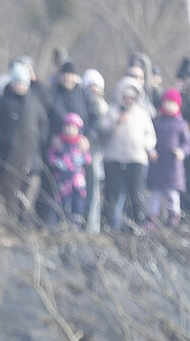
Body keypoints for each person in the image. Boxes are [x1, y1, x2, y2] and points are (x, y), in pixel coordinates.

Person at [0, 62, 48, 224]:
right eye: (17, 82)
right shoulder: (3, 102)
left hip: (28, 155)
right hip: (4, 154)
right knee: (0, 187)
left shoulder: (34, 103)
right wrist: (3, 141)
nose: (20, 86)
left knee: (23, 189)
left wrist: (38, 145)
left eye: (23, 83)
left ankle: (20, 219)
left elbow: (43, 127)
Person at [99, 76, 156, 230]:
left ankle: (135, 225)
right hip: (113, 159)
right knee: (111, 194)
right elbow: (102, 131)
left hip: (136, 159)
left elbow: (150, 135)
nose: (129, 100)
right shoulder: (111, 112)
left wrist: (148, 147)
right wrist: (116, 123)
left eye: (132, 97)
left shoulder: (142, 114)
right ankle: (107, 225)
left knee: (135, 194)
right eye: (126, 97)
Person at [146, 89, 190, 228]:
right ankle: (151, 218)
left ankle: (173, 216)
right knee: (155, 194)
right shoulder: (156, 121)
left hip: (174, 166)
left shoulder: (181, 124)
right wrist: (151, 150)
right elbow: (148, 138)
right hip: (157, 164)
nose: (169, 106)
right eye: (167, 103)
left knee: (172, 194)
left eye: (172, 103)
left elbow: (188, 143)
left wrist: (182, 152)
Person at [46, 113, 92, 228]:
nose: (69, 130)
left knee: (78, 204)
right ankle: (59, 224)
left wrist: (82, 159)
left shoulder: (81, 145)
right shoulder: (59, 144)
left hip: (77, 182)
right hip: (62, 181)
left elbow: (88, 158)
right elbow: (50, 155)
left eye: (72, 127)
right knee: (61, 202)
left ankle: (76, 226)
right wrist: (57, 162)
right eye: (67, 127)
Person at [82, 69, 108, 234]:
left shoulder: (103, 106)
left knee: (95, 189)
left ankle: (93, 225)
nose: (93, 88)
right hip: (85, 150)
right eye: (90, 85)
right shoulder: (82, 103)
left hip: (98, 152)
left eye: (96, 85)